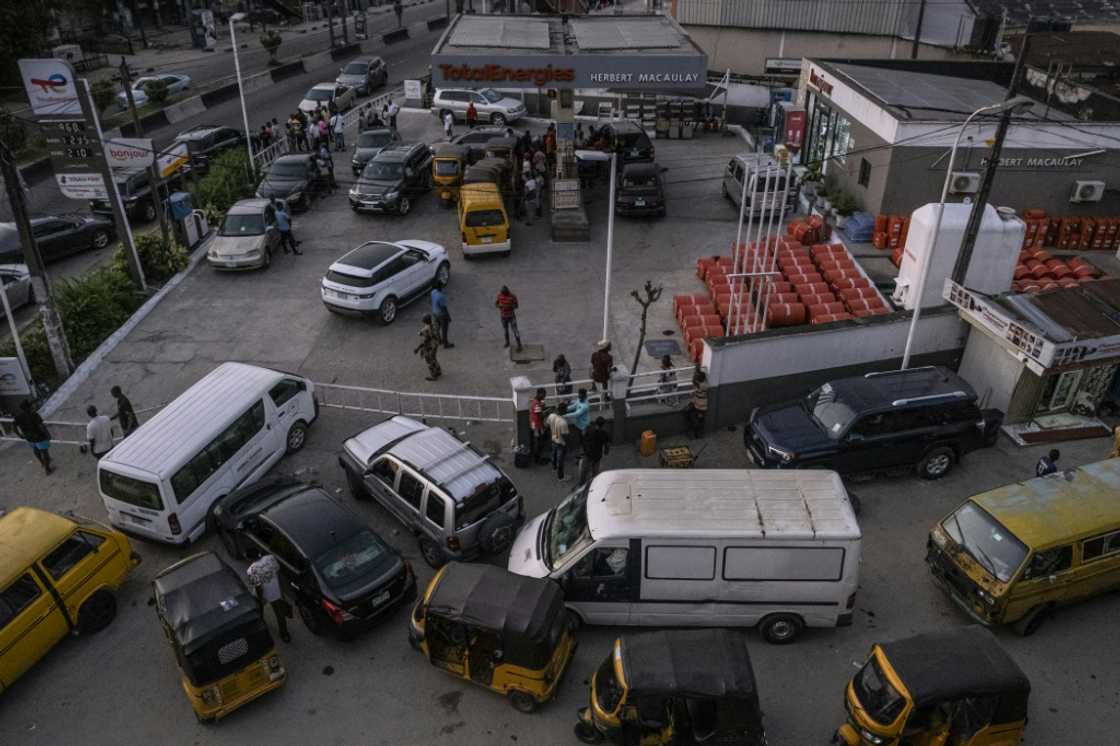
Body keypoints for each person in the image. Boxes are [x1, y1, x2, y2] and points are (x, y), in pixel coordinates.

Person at [246, 553, 291, 643]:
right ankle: (284, 634)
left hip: (264, 594)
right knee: (280, 615)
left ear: (249, 558)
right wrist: (281, 590)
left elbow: (258, 587)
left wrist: (261, 599)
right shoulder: (270, 558)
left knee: (258, 609)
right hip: (276, 592)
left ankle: (261, 625)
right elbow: (278, 573)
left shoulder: (251, 570)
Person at [12, 400, 53, 474]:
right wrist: (47, 434)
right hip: (39, 436)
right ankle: (47, 469)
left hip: (29, 437)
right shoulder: (34, 414)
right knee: (45, 452)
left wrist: (20, 435)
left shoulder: (18, 417)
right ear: (28, 407)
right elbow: (41, 426)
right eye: (31, 405)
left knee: (35, 449)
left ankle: (42, 462)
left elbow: (14, 427)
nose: (32, 406)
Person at [579, 417, 611, 485]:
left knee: (584, 470)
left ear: (595, 423)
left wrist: (584, 448)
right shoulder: (604, 433)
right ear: (603, 425)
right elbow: (607, 444)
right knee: (595, 470)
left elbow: (583, 436)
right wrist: (606, 452)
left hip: (588, 453)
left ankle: (582, 484)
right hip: (597, 455)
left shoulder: (588, 429)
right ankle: (594, 484)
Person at [546, 402, 570, 481]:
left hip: (553, 439)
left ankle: (554, 468)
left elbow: (547, 425)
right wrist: (567, 444)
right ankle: (561, 477)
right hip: (560, 443)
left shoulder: (551, 416)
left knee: (554, 454)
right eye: (566, 409)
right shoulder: (563, 422)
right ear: (564, 410)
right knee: (560, 460)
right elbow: (565, 435)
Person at [415, 314, 442, 381]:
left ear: (425, 321)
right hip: (435, 344)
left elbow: (424, 340)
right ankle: (438, 371)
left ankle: (433, 375)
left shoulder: (426, 329)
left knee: (429, 361)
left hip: (429, 346)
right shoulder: (434, 326)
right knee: (434, 358)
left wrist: (417, 348)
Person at [495, 285, 522, 350]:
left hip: (511, 316)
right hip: (503, 316)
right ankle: (507, 342)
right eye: (502, 293)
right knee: (505, 330)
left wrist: (511, 306)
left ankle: (519, 345)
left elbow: (516, 306)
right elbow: (496, 304)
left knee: (515, 330)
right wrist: (499, 306)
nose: (503, 294)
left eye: (504, 293)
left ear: (507, 292)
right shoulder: (499, 296)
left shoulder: (512, 296)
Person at [565, 388, 591, 452]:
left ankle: (586, 453)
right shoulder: (579, 400)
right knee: (580, 439)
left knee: (584, 441)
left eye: (580, 395)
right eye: (579, 394)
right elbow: (573, 406)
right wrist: (565, 409)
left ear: (584, 395)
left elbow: (577, 414)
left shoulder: (585, 406)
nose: (579, 396)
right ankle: (582, 452)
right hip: (578, 424)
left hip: (584, 426)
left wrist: (565, 415)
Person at [686, 370, 709, 438]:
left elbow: (694, 385)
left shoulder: (700, 386)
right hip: (702, 406)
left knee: (696, 419)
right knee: (700, 419)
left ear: (698, 380)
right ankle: (698, 434)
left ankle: (696, 434)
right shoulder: (705, 385)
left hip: (699, 406)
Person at [529, 388, 549, 464]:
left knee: (538, 441)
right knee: (539, 442)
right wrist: (547, 412)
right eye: (544, 395)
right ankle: (537, 459)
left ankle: (537, 457)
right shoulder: (537, 404)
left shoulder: (535, 401)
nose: (544, 397)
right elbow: (540, 416)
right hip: (537, 426)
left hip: (534, 424)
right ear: (539, 394)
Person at [431, 283, 453, 348]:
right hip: (442, 315)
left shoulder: (432, 292)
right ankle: (445, 344)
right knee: (444, 330)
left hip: (434, 313)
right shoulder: (441, 296)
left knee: (436, 328)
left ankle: (438, 340)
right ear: (441, 287)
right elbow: (444, 308)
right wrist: (448, 317)